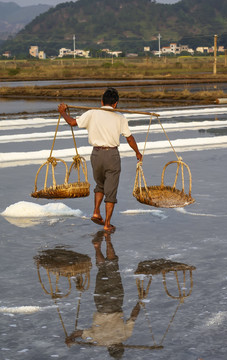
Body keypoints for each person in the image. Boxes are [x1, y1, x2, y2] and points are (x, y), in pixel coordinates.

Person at [58, 88, 142, 233]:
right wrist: (138, 153)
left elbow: (72, 122)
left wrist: (62, 112)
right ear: (115, 104)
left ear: (102, 101)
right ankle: (107, 224)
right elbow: (129, 138)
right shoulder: (120, 117)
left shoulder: (92, 113)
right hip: (112, 156)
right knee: (111, 191)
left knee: (100, 185)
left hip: (96, 155)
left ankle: (96, 211)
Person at [65, 231, 142, 358]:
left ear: (121, 346)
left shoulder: (124, 336)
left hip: (115, 301)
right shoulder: (98, 340)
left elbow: (133, 317)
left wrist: (140, 302)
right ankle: (97, 247)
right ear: (109, 349)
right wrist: (70, 337)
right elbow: (79, 333)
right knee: (102, 270)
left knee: (112, 264)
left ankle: (108, 239)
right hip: (100, 303)